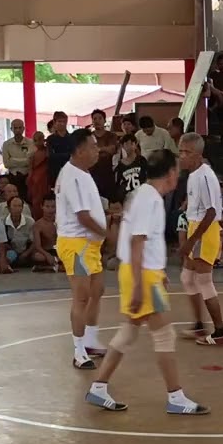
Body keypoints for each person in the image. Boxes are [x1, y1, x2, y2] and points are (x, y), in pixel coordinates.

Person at [84, 148, 207, 415]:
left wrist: (156, 274)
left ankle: (99, 387)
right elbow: (137, 241)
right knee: (164, 335)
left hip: (143, 273)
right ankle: (175, 397)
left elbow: (142, 241)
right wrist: (142, 284)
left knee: (129, 332)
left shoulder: (144, 195)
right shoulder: (149, 198)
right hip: (141, 275)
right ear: (171, 173)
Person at [55, 129, 108, 369]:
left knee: (97, 290)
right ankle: (78, 352)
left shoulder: (83, 173)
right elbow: (83, 216)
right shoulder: (72, 176)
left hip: (90, 243)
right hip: (76, 243)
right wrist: (108, 233)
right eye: (93, 146)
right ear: (79, 150)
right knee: (82, 296)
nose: (98, 151)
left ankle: (90, 340)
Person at [178, 133, 223, 345]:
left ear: (198, 155)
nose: (182, 156)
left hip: (204, 230)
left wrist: (191, 241)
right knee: (187, 278)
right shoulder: (194, 175)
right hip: (196, 227)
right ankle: (199, 325)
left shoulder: (204, 176)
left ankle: (220, 331)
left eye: (186, 152)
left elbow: (211, 211)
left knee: (204, 281)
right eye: (180, 151)